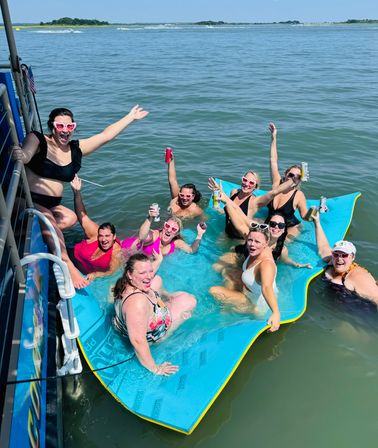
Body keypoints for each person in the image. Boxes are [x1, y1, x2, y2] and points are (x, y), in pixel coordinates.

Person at [11, 104, 148, 288]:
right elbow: (27, 153)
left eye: (70, 126)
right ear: (52, 126)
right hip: (24, 199)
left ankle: (20, 233)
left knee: (71, 218)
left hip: (50, 205)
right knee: (49, 219)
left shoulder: (75, 149)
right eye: (60, 126)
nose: (65, 131)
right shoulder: (38, 139)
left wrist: (130, 117)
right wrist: (22, 154)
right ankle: (67, 262)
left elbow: (105, 136)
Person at [113, 253, 197, 375]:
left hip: (142, 316)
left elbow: (147, 274)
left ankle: (167, 297)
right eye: (142, 273)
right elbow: (137, 341)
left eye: (150, 271)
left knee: (157, 280)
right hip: (155, 334)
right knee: (190, 301)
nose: (148, 276)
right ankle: (171, 306)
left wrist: (159, 260)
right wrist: (155, 368)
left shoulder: (124, 282)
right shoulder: (137, 303)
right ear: (130, 274)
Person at [210, 224, 280, 331]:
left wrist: (276, 313)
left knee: (214, 290)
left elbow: (266, 287)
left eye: (257, 242)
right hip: (249, 291)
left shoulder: (266, 264)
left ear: (266, 243)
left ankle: (226, 312)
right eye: (250, 240)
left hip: (256, 305)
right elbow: (241, 224)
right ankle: (228, 305)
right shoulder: (257, 250)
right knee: (228, 271)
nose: (252, 244)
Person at [312, 211, 378, 306]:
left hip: (359, 312)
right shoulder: (332, 260)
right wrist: (317, 222)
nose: (339, 258)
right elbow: (323, 247)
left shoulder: (359, 277)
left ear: (352, 257)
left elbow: (376, 298)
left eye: (344, 255)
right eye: (336, 254)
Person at [208, 173, 297, 240]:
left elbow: (273, 193)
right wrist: (220, 194)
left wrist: (293, 180)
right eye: (245, 180)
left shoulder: (254, 202)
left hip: (241, 238)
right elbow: (230, 209)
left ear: (255, 187)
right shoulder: (234, 192)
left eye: (251, 183)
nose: (247, 184)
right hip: (226, 232)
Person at [70, 176, 122, 285]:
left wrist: (96, 274)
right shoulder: (94, 233)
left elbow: (112, 271)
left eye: (107, 236)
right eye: (101, 236)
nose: (103, 239)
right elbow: (82, 216)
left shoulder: (116, 251)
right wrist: (77, 193)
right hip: (70, 259)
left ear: (114, 237)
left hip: (85, 276)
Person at [267, 122, 311, 238]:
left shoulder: (298, 195)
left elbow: (305, 216)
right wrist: (274, 137)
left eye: (297, 177)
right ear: (286, 174)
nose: (293, 178)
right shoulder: (277, 183)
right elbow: (273, 161)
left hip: (290, 226)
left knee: (281, 244)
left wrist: (314, 213)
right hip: (272, 223)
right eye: (291, 175)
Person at [121, 205, 207, 257]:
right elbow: (142, 237)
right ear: (164, 226)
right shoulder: (154, 235)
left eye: (173, 229)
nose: (169, 230)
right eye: (167, 226)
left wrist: (199, 234)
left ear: (177, 233)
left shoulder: (177, 243)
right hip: (125, 250)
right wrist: (150, 217)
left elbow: (191, 250)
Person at [167, 149, 203, 218]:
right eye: (182, 195)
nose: (184, 198)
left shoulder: (196, 210)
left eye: (188, 196)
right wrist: (171, 160)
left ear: (193, 196)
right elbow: (172, 180)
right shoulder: (176, 199)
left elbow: (204, 220)